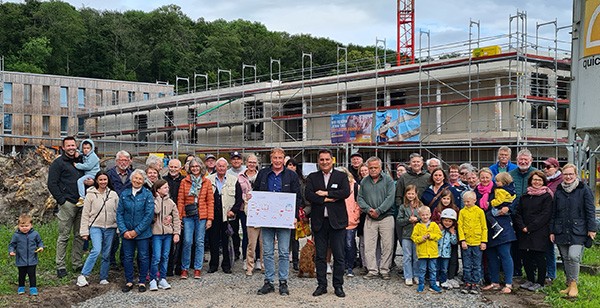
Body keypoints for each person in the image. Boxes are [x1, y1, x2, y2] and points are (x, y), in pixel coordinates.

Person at [254, 148, 301, 296]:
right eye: (275, 157)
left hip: (284, 219)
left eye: (280, 158)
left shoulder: (291, 175)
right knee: (267, 251)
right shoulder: (262, 174)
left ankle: (283, 281)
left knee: (283, 252)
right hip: (266, 218)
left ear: (284, 159)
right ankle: (268, 281)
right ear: (271, 158)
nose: (277, 160)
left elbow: (297, 197)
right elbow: (256, 193)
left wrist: (294, 216)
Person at [305, 149, 351, 298]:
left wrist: (325, 193)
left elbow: (345, 192)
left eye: (327, 159)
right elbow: (309, 195)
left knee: (339, 255)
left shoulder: (341, 176)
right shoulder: (312, 177)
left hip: (337, 222)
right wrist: (327, 199)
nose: (324, 162)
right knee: (320, 256)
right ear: (318, 161)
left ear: (332, 160)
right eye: (322, 160)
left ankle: (338, 286)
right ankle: (321, 285)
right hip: (319, 222)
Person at [550, 163, 597, 298]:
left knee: (573, 256)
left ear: (576, 175)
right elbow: (554, 212)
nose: (568, 176)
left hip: (578, 230)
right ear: (562, 175)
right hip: (561, 229)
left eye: (571, 174)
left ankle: (574, 284)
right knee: (565, 258)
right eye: (566, 174)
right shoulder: (559, 190)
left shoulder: (584, 189)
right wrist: (552, 230)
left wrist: (592, 228)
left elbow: (590, 210)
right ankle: (569, 284)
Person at [47, 136, 85, 278]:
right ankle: (60, 266)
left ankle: (77, 263)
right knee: (63, 236)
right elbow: (52, 184)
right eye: (68, 146)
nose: (71, 148)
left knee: (79, 236)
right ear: (63, 148)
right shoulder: (58, 163)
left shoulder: (81, 161)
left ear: (76, 146)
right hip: (67, 204)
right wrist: (62, 201)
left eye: (73, 145)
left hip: (82, 203)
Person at [77, 171, 119, 287]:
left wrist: (119, 228)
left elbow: (118, 212)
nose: (103, 182)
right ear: (96, 181)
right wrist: (84, 231)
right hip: (95, 226)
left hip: (110, 227)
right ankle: (83, 275)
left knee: (106, 253)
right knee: (96, 250)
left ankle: (103, 277)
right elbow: (85, 214)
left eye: (105, 179)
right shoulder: (90, 194)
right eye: (100, 180)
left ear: (108, 180)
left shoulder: (113, 194)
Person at [513, 170, 553, 292]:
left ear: (543, 182)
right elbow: (518, 213)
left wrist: (530, 227)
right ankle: (530, 279)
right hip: (524, 231)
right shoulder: (524, 196)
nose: (537, 182)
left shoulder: (546, 197)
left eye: (539, 180)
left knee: (539, 257)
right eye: (535, 179)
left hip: (539, 232)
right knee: (526, 257)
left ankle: (540, 282)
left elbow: (545, 215)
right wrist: (522, 226)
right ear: (531, 181)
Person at [357, 156, 396, 280]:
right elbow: (360, 198)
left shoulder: (388, 180)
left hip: (386, 217)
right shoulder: (364, 181)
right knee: (369, 245)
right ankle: (372, 270)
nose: (373, 170)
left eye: (375, 167)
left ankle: (384, 270)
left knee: (387, 245)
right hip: (369, 217)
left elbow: (390, 198)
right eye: (370, 168)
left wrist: (379, 210)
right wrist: (368, 210)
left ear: (380, 167)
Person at [116, 169, 155, 293]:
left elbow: (149, 215)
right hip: (126, 233)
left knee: (143, 257)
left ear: (144, 181)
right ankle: (129, 281)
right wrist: (124, 230)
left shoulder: (147, 194)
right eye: (135, 178)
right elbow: (119, 214)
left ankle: (142, 281)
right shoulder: (124, 194)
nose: (137, 181)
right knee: (127, 257)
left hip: (142, 233)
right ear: (131, 179)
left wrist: (136, 231)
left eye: (140, 179)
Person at [480, 171, 517, 294]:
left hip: (503, 226)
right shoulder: (478, 191)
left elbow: (515, 202)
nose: (485, 180)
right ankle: (494, 282)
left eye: (487, 177)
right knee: (491, 257)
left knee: (504, 254)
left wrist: (509, 208)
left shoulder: (501, 190)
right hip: (488, 228)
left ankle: (508, 283)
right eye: (482, 177)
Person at [178, 157, 214, 279]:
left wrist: (210, 218)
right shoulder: (184, 181)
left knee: (200, 242)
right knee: (188, 241)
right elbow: (181, 200)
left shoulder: (206, 182)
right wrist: (179, 217)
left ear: (201, 167)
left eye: (197, 166)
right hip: (188, 215)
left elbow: (210, 200)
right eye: (192, 166)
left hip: (202, 215)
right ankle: (185, 268)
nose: (194, 168)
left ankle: (197, 268)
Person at [208, 158, 243, 274]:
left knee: (227, 240)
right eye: (219, 166)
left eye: (223, 166)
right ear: (216, 167)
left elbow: (239, 198)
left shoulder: (234, 180)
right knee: (213, 240)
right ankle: (213, 264)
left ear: (226, 167)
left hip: (228, 216)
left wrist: (234, 210)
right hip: (213, 215)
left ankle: (226, 265)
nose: (221, 168)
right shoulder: (208, 180)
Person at [149, 179, 181, 291]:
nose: (167, 189)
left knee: (165, 256)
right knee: (156, 257)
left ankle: (162, 278)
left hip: (167, 233)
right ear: (157, 190)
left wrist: (176, 232)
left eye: (167, 187)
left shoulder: (171, 202)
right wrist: (157, 198)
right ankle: (153, 279)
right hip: (156, 233)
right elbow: (156, 211)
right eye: (164, 188)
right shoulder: (153, 200)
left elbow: (176, 217)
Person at [509, 149, 536, 277]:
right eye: (521, 159)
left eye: (526, 160)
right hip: (514, 214)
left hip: (531, 216)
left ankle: (532, 270)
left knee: (530, 244)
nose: (523, 162)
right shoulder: (511, 174)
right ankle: (517, 269)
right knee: (515, 244)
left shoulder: (536, 173)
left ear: (531, 161)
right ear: (517, 160)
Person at [106, 150, 133, 270]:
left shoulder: (132, 175)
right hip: (112, 208)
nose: (124, 162)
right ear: (116, 161)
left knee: (126, 236)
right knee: (113, 238)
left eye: (126, 160)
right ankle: (111, 261)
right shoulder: (109, 174)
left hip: (127, 209)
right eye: (121, 160)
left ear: (130, 161)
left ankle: (124, 260)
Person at [458, 191, 487, 295]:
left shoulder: (480, 212)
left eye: (468, 202)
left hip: (477, 242)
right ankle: (467, 282)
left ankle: (475, 283)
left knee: (477, 264)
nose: (466, 204)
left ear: (475, 200)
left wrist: (483, 241)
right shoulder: (462, 212)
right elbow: (460, 227)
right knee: (466, 263)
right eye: (464, 202)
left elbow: (484, 227)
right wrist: (462, 240)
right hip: (466, 242)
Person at [239, 154, 263, 275]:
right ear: (246, 163)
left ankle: (261, 263)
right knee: (250, 240)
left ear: (257, 163)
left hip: (261, 210)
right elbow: (239, 193)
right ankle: (248, 263)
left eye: (254, 162)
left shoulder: (262, 176)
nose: (252, 164)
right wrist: (245, 197)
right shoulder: (240, 177)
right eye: (250, 162)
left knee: (263, 240)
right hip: (247, 210)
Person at [9, 213, 44, 296]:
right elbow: (12, 244)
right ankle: (21, 287)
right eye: (22, 226)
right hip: (21, 259)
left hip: (32, 259)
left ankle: (33, 288)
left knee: (32, 274)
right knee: (21, 274)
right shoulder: (16, 235)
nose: (24, 228)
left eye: (27, 226)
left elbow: (40, 242)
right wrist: (11, 251)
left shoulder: (35, 234)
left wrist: (41, 247)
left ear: (31, 225)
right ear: (18, 226)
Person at [411, 206, 442, 293]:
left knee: (432, 269)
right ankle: (421, 284)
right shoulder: (417, 226)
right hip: (422, 252)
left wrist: (431, 236)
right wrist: (422, 238)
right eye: (423, 215)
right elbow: (414, 238)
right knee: (422, 269)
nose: (425, 217)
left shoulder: (434, 225)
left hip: (433, 252)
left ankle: (433, 284)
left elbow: (439, 235)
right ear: (420, 216)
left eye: (427, 215)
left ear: (430, 215)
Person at [397, 185, 422, 286]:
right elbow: (399, 220)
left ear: (416, 194)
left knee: (416, 256)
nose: (411, 195)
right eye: (409, 193)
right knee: (407, 256)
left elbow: (425, 217)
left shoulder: (420, 205)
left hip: (418, 235)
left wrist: (417, 219)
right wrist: (408, 220)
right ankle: (408, 276)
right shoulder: (403, 207)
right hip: (406, 234)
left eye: (412, 193)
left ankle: (416, 275)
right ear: (406, 194)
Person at [337, 167, 360, 278]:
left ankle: (350, 266)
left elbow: (359, 203)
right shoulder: (335, 186)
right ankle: (342, 266)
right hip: (338, 219)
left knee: (349, 244)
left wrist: (355, 216)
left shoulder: (355, 186)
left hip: (351, 219)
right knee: (339, 245)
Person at [542, 157, 562, 283]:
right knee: (545, 247)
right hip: (544, 218)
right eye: (544, 167)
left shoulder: (559, 181)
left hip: (556, 218)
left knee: (555, 248)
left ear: (556, 167)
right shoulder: (545, 181)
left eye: (548, 167)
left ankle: (552, 274)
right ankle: (546, 273)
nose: (545, 169)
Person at [165, 158, 184, 276]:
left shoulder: (184, 181)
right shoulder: (163, 180)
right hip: (167, 215)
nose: (173, 169)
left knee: (181, 242)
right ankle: (168, 268)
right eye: (171, 167)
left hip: (181, 214)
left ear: (180, 169)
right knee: (168, 243)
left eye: (175, 167)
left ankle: (179, 267)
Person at [286, 158, 305, 272]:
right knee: (283, 236)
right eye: (289, 165)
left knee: (295, 238)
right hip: (283, 211)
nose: (291, 167)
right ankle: (285, 256)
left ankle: (295, 260)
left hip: (296, 211)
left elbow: (304, 198)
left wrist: (302, 211)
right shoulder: (283, 178)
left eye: (293, 165)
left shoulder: (302, 181)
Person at [487, 172, 517, 239]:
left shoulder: (501, 190)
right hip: (508, 208)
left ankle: (496, 226)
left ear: (503, 182)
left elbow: (499, 201)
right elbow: (514, 197)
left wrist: (491, 203)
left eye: (498, 181)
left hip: (500, 208)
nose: (496, 183)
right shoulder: (511, 189)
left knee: (489, 214)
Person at [74, 139, 100, 207]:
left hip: (93, 174)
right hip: (88, 174)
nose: (86, 150)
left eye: (88, 148)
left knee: (80, 181)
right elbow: (81, 153)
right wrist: (77, 152)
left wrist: (77, 165)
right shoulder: (86, 155)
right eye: (84, 148)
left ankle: (82, 197)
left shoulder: (93, 156)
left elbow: (88, 166)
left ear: (91, 149)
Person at [438, 208, 458, 289]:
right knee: (436, 267)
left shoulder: (452, 231)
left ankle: (443, 281)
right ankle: (435, 280)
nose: (447, 223)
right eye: (445, 221)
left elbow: (454, 242)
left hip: (446, 254)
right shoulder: (440, 229)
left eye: (450, 221)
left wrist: (453, 234)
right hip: (438, 252)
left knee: (444, 268)